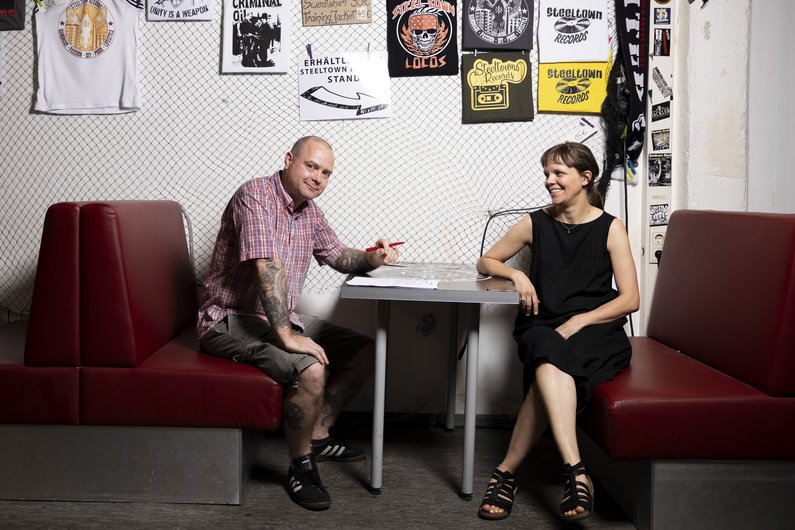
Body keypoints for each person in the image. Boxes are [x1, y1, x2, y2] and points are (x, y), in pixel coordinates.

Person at [197, 136, 400, 511]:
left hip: (274, 317)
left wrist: (375, 257)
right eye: (311, 166)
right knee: (310, 372)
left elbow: (340, 257)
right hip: (228, 319)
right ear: (289, 160)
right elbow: (266, 265)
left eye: (326, 173)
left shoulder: (309, 211)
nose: (318, 178)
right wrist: (287, 335)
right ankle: (300, 465)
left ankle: (319, 434)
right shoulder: (254, 195)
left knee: (366, 350)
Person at [475, 142, 639, 521]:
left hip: (596, 331)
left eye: (558, 173)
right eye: (547, 173)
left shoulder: (611, 228)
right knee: (546, 348)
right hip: (542, 326)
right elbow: (485, 260)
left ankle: (505, 473)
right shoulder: (535, 222)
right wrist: (516, 272)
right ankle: (576, 470)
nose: (549, 180)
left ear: (585, 178)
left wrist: (580, 320)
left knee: (545, 371)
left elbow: (630, 299)